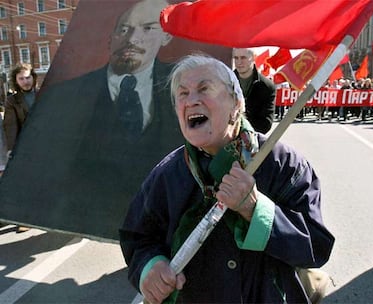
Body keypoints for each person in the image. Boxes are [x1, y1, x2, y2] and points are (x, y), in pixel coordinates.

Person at [120, 55, 334, 303]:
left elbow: (316, 246)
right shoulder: (167, 174)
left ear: (236, 102)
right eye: (183, 94)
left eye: (204, 89)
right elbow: (137, 237)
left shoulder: (283, 164)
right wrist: (150, 268)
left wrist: (255, 210)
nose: (191, 101)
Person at [0, 0, 183, 239]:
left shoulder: (181, 87)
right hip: (88, 212)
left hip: (157, 220)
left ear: (165, 37)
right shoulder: (63, 95)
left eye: (148, 28)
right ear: (111, 38)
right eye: (124, 29)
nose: (132, 39)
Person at [233, 48, 275, 134]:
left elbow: (265, 124)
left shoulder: (266, 86)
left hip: (252, 139)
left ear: (253, 58)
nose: (239, 62)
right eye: (236, 58)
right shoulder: (226, 82)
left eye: (243, 58)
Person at [3, 63, 37, 152]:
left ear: (33, 77)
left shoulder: (44, 94)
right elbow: (11, 126)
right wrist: (11, 148)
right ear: (16, 81)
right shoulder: (12, 101)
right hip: (27, 144)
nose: (25, 82)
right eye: (21, 79)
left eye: (28, 77)